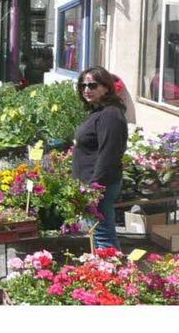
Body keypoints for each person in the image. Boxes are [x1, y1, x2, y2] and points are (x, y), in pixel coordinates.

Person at [73, 66, 128, 249]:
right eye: (83, 86)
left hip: (100, 185)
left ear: (106, 87)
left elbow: (109, 154)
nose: (86, 89)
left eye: (92, 85)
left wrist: (95, 188)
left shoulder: (110, 114)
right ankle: (100, 272)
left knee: (103, 235)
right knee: (95, 233)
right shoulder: (98, 111)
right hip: (91, 184)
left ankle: (113, 272)